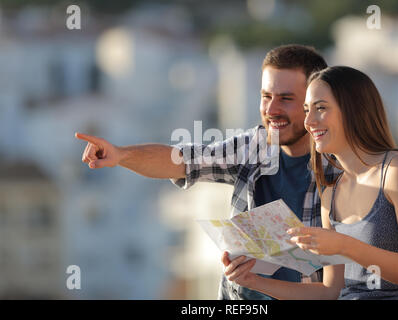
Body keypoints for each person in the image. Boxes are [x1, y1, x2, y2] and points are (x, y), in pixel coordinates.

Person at [75, 44, 339, 300]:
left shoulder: (342, 170)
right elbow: (181, 161)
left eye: (285, 99)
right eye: (266, 96)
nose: (271, 110)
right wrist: (120, 155)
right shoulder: (253, 147)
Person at [223, 66, 398, 299]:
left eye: (320, 108)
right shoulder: (330, 194)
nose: (308, 121)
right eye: (307, 110)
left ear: (354, 110)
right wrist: (252, 281)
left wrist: (343, 245)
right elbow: (330, 292)